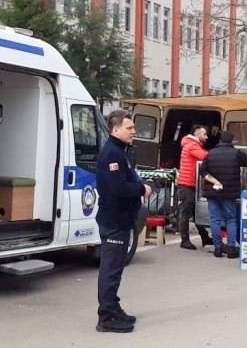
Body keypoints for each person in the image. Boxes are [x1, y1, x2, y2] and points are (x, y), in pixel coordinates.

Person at [94, 110, 153, 333]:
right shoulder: (112, 153)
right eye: (129, 128)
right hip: (114, 219)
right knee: (110, 269)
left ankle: (113, 307)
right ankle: (106, 317)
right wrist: (142, 189)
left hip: (121, 218)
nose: (134, 132)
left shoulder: (120, 151)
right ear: (116, 129)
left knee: (116, 268)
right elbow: (118, 187)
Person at [198, 131, 247, 258]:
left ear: (220, 141)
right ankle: (231, 249)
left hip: (213, 192)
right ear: (231, 141)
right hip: (229, 193)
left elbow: (202, 171)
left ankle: (218, 248)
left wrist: (215, 181)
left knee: (215, 219)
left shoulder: (210, 153)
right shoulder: (236, 154)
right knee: (231, 219)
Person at [176, 126, 213, 250]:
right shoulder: (192, 146)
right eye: (204, 134)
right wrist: (219, 154)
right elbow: (205, 156)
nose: (207, 137)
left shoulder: (193, 144)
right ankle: (184, 241)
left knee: (196, 213)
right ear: (197, 135)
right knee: (185, 213)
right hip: (186, 184)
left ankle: (205, 238)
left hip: (191, 184)